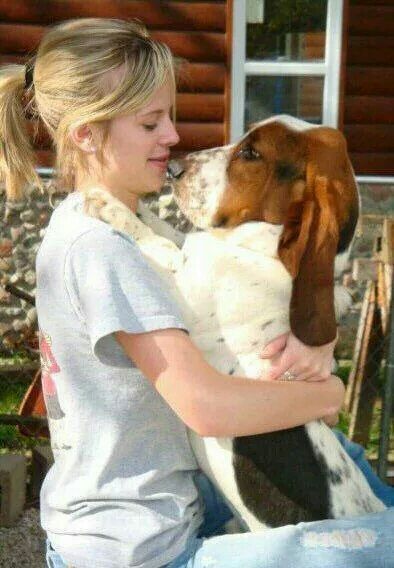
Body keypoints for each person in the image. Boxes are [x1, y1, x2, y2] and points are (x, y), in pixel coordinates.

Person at [0, 18, 392, 568]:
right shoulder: (101, 248)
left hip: (155, 516)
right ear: (86, 134)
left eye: (171, 117)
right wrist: (328, 393)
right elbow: (206, 406)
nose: (175, 137)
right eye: (151, 122)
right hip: (140, 550)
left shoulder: (100, 229)